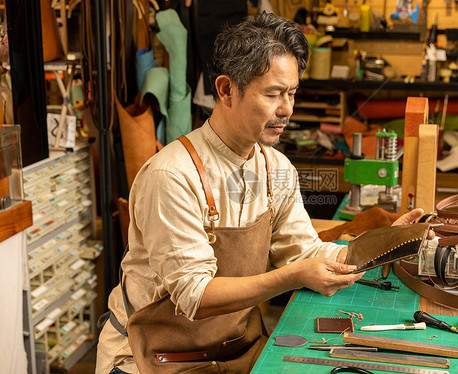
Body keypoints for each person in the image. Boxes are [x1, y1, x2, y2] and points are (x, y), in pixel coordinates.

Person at [96, 11, 425, 374]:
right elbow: (195, 296)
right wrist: (295, 275)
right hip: (154, 358)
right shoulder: (172, 175)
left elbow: (306, 251)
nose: (286, 109)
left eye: (292, 93)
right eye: (272, 94)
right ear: (225, 89)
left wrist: (385, 244)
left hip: (235, 351)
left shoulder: (275, 168)